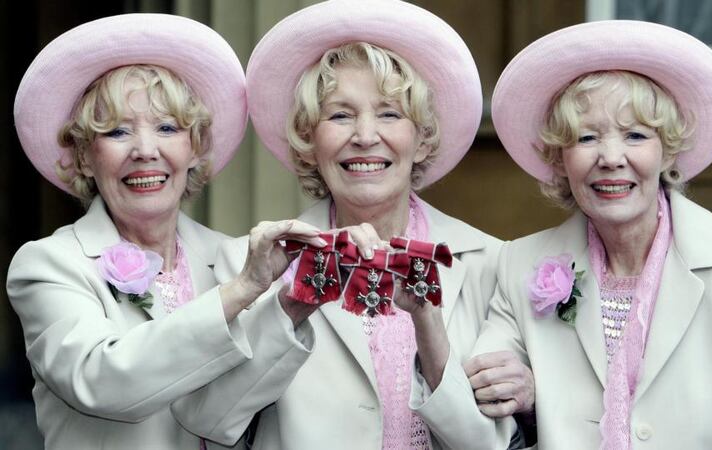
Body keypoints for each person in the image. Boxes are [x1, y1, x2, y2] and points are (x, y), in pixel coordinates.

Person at [410, 20, 712, 449]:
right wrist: (523, 401)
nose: (611, 158)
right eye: (587, 137)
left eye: (635, 135)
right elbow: (477, 438)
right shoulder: (520, 266)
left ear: (667, 148)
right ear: (559, 158)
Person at [170, 1, 510, 449]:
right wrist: (290, 306)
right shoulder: (243, 263)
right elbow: (211, 421)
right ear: (309, 140)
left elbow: (489, 444)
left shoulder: (492, 262)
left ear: (422, 137)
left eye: (389, 113)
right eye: (340, 115)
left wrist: (428, 321)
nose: (365, 136)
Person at [8, 13, 322, 449]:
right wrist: (241, 291)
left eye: (167, 128)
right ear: (83, 157)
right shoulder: (48, 265)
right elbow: (102, 383)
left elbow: (239, 412)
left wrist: (289, 307)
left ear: (196, 147)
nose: (145, 150)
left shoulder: (228, 257)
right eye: (116, 131)